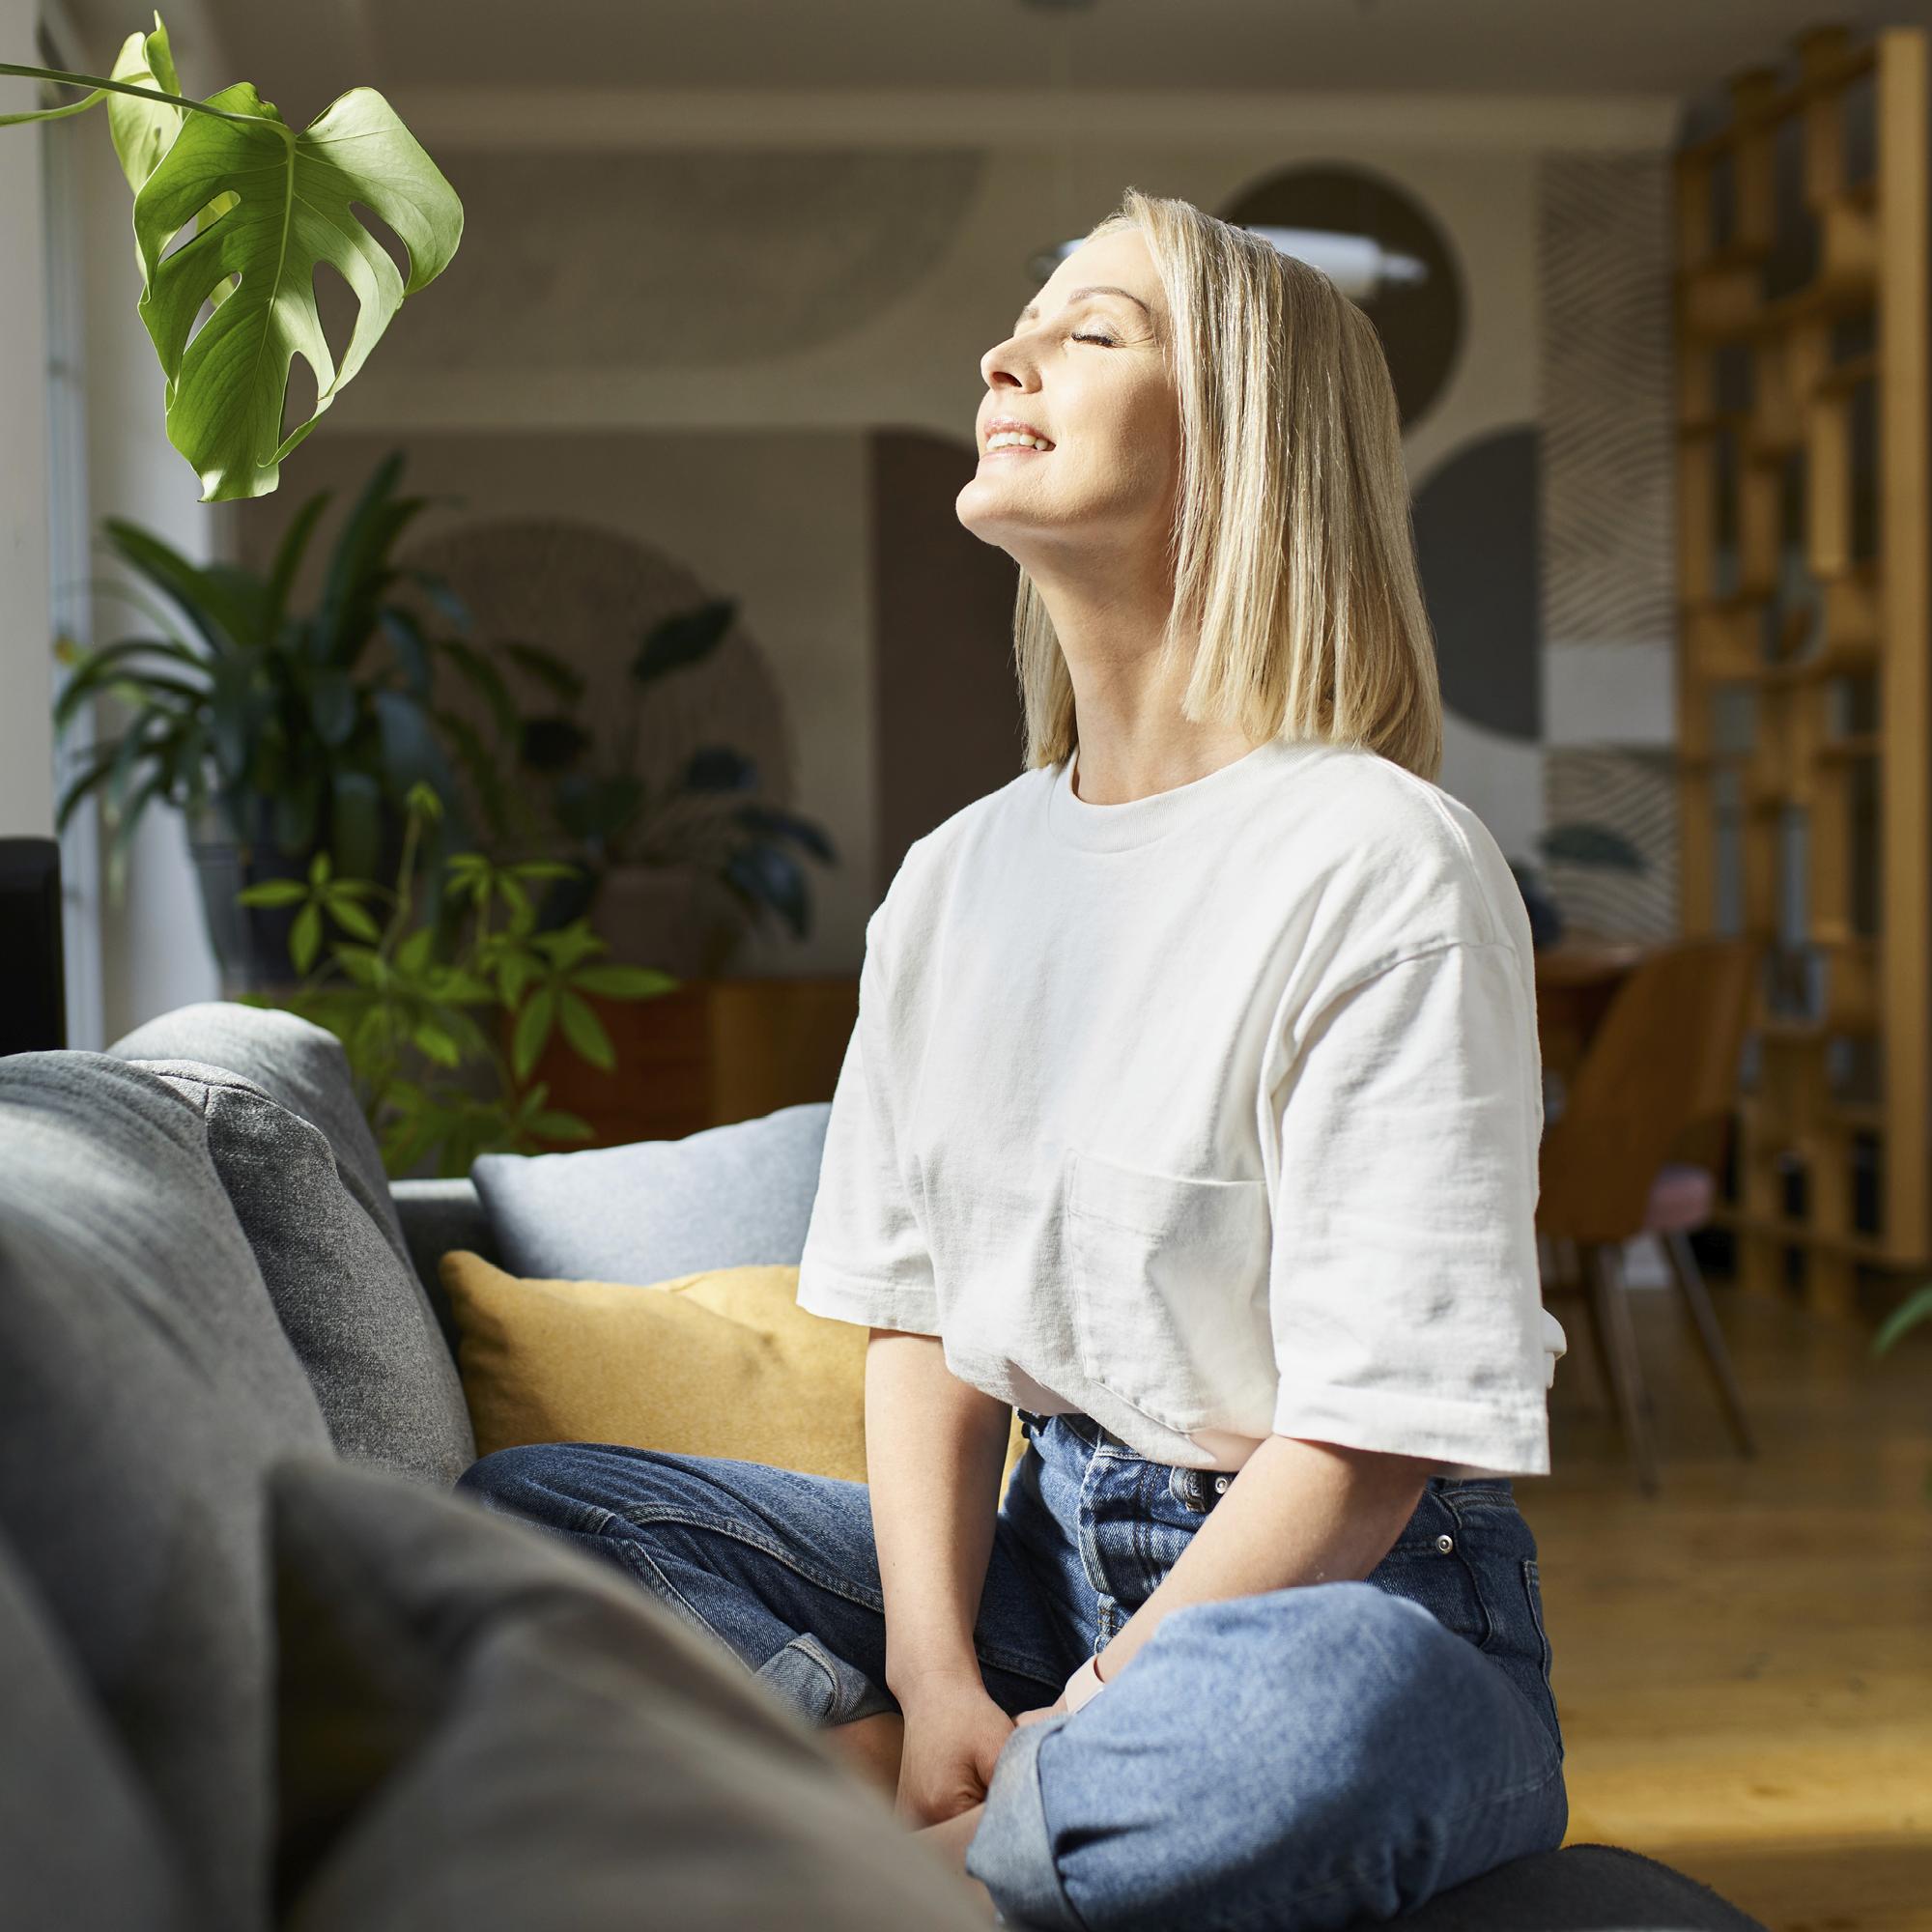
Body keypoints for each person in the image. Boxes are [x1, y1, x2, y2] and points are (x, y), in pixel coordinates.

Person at [458, 185, 1571, 1931]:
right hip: (1033, 1567)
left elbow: (1368, 1442)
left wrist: (1111, 1708)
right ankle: (943, 1825)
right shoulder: (958, 878)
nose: (1003, 356)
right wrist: (937, 1682)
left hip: (1344, 1592)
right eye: (1022, 321)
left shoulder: (1386, 862)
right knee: (528, 1507)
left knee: (1335, 1710)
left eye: (1092, 329)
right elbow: (924, 1325)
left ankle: (879, 1875)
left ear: (1243, 445)